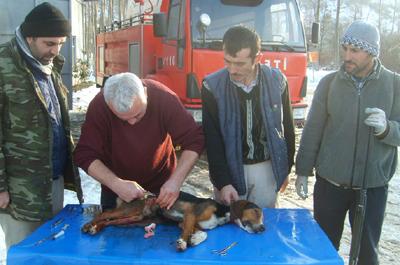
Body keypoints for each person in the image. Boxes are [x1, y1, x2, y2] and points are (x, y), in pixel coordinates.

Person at [295, 20, 400, 265]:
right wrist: (302, 170)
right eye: (345, 48)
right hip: (330, 184)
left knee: (366, 253)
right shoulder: (329, 83)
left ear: (372, 51)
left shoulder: (395, 85)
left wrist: (387, 129)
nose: (347, 56)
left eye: (355, 50)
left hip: (372, 186)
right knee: (322, 250)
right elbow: (313, 130)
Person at [0, 2, 83, 250]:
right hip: (19, 192)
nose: (56, 51)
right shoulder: (4, 66)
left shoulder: (48, 66)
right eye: (50, 43)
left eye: (60, 43)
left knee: (49, 251)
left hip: (51, 183)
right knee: (25, 253)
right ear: (30, 37)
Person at [74, 72, 204, 210]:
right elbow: (85, 153)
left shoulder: (163, 98)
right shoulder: (100, 105)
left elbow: (194, 139)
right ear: (108, 104)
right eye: (123, 119)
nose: (131, 123)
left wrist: (175, 181)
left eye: (138, 115)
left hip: (162, 189)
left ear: (145, 93)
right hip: (116, 191)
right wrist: (115, 184)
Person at [201, 25, 295, 208]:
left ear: (257, 58)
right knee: (230, 227)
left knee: (261, 223)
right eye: (227, 61)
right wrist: (223, 182)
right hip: (229, 169)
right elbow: (212, 139)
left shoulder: (277, 81)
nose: (232, 70)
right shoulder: (211, 86)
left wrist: (285, 169)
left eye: (240, 64)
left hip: (266, 170)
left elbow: (287, 129)